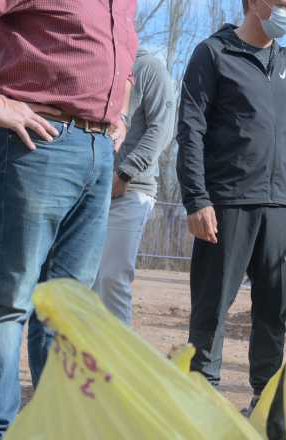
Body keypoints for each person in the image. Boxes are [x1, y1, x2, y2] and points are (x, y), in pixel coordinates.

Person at [0, 0, 137, 437]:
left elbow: (122, 59)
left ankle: (54, 424)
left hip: (98, 152)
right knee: (10, 297)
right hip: (39, 142)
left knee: (67, 308)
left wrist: (118, 108)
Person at [176, 0, 286, 412]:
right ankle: (201, 398)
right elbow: (191, 129)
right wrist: (197, 198)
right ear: (254, 3)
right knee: (212, 307)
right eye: (282, 3)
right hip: (227, 203)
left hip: (279, 207)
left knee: (273, 311)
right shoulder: (214, 54)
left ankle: (265, 400)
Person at [92, 49, 175, 326]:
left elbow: (162, 128)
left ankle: (117, 364)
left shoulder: (149, 67)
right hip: (89, 187)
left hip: (131, 190)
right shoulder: (97, 63)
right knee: (83, 280)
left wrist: (126, 172)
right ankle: (83, 362)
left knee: (112, 277)